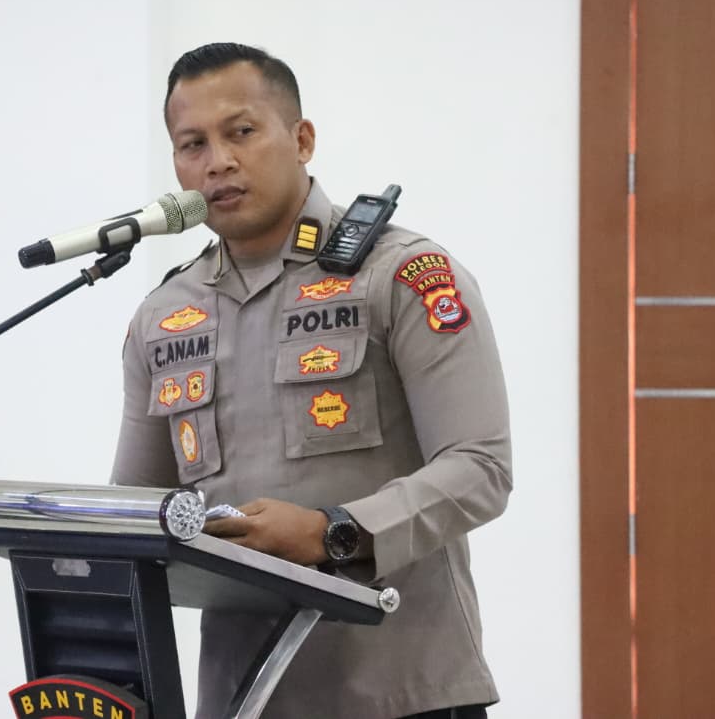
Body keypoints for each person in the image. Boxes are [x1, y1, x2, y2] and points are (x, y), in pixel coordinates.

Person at [111, 43, 511, 719]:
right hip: (245, 699)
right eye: (192, 144)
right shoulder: (163, 315)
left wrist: (335, 532)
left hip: (402, 693)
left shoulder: (401, 274)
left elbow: (480, 469)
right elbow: (135, 516)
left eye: (241, 131)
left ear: (302, 140)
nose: (218, 161)